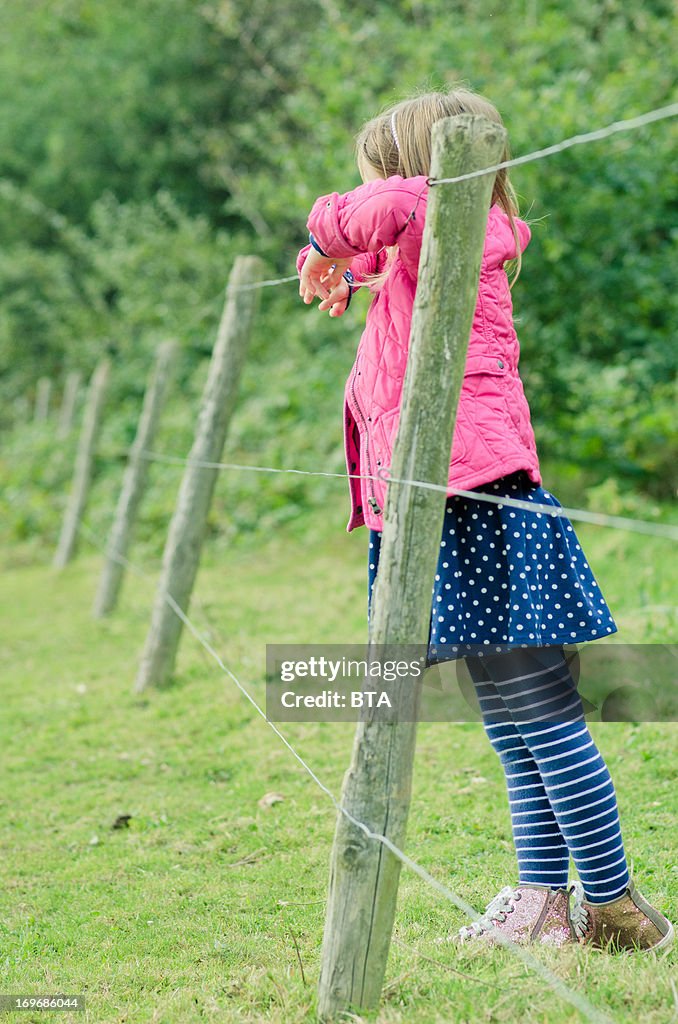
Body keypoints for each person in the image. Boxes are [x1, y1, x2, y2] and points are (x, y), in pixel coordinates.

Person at [296, 88, 673, 952]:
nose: (367, 207)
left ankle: (615, 904)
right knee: (510, 725)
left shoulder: (453, 219)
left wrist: (322, 239)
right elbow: (389, 229)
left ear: (418, 172)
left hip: (480, 501)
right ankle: (545, 901)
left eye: (371, 182)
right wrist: (351, 266)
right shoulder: (427, 243)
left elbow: (388, 207)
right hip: (441, 505)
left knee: (544, 714)